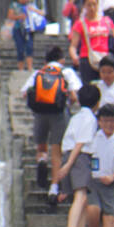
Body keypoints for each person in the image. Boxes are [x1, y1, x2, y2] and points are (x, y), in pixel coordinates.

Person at [20, 45, 81, 203]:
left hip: (40, 113)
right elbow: (74, 95)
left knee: (41, 146)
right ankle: (53, 188)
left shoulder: (38, 73)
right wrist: (67, 101)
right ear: (62, 59)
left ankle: (41, 160)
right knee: (56, 150)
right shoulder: (66, 72)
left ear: (46, 60)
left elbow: (24, 93)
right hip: (59, 114)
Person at [59, 83, 100, 227]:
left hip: (69, 153)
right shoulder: (90, 119)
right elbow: (80, 143)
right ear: (97, 103)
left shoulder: (75, 116)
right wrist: (69, 164)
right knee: (81, 195)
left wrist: (67, 162)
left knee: (83, 199)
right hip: (80, 156)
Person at [69, 0, 114, 85]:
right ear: (84, 6)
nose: (92, 8)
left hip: (105, 60)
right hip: (87, 60)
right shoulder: (80, 24)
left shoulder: (107, 21)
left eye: (94, 4)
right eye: (89, 5)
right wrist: (74, 56)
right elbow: (73, 46)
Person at [8, 0, 46, 70]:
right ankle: (21, 68)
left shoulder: (31, 5)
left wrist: (33, 10)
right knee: (20, 48)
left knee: (29, 47)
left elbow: (42, 13)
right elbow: (10, 16)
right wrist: (19, 17)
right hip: (18, 28)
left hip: (29, 29)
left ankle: (29, 67)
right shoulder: (14, 5)